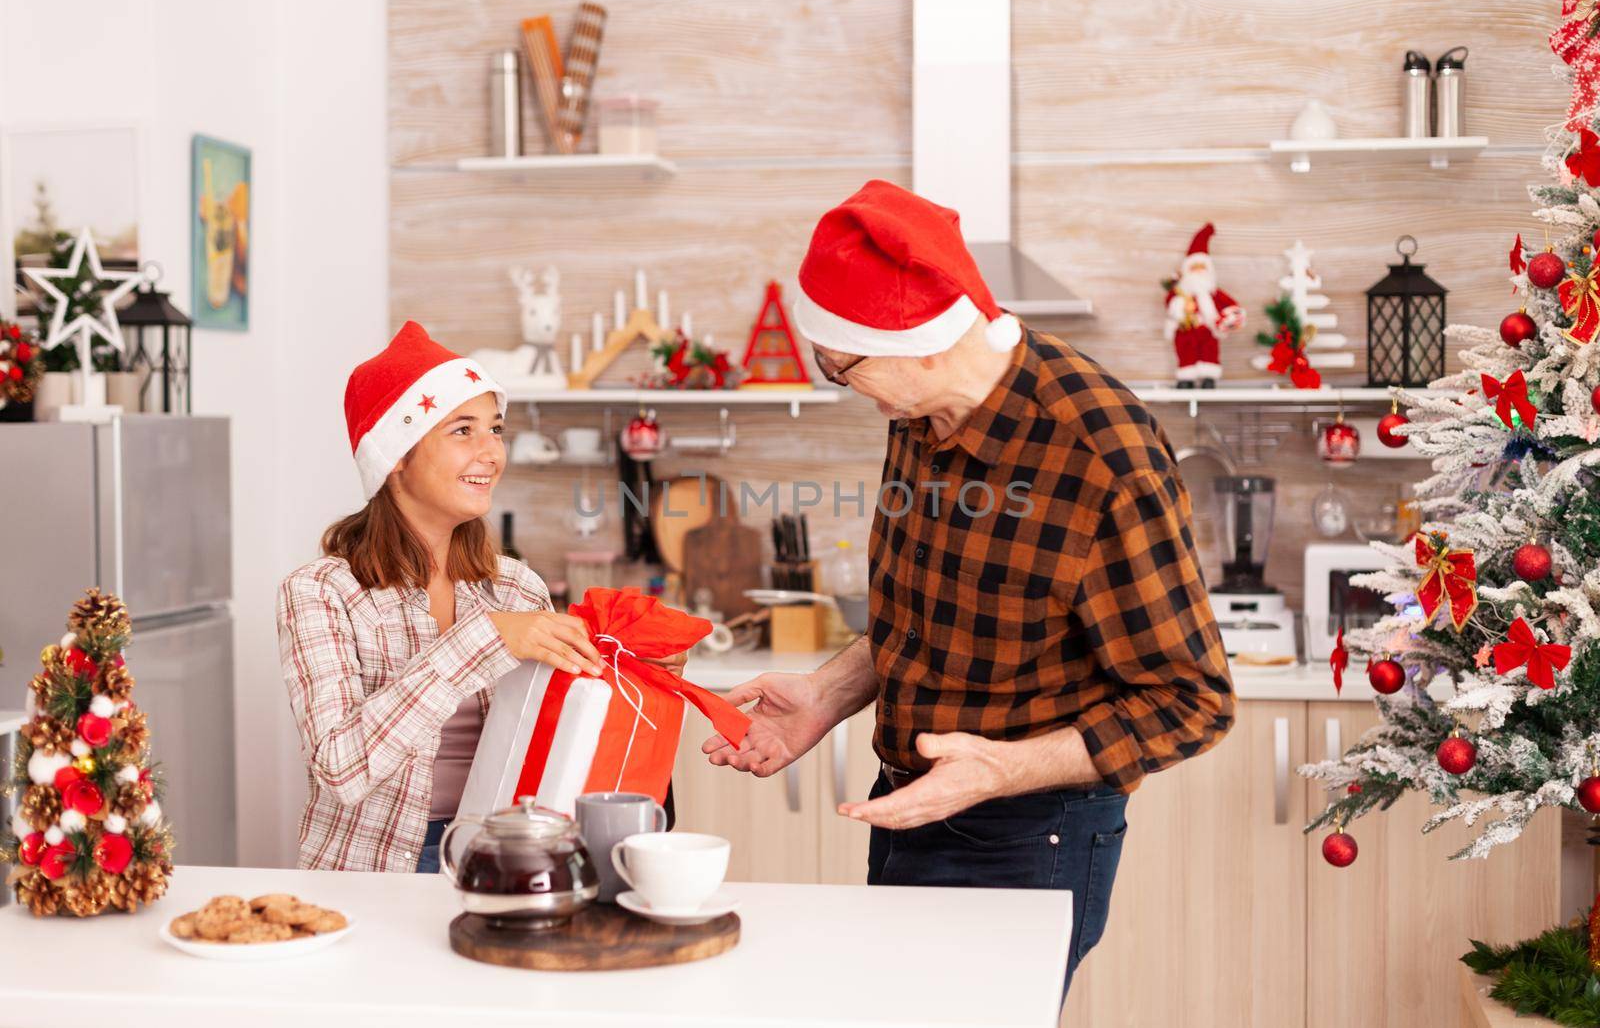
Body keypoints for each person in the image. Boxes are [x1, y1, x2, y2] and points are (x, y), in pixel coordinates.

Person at [703, 180, 1235, 990]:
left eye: (843, 367)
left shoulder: (1101, 457)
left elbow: (1192, 702)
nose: (843, 387)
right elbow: (933, 616)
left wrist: (999, 770)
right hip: (912, 808)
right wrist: (826, 693)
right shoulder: (922, 415)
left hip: (1030, 834)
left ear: (920, 342)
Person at [278, 321, 683, 872]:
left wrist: (631, 670)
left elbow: (556, 727)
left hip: (502, 858)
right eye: (463, 431)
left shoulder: (516, 586)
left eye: (496, 429)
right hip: (369, 871)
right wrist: (485, 638)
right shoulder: (321, 593)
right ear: (397, 455)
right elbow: (340, 768)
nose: (491, 452)